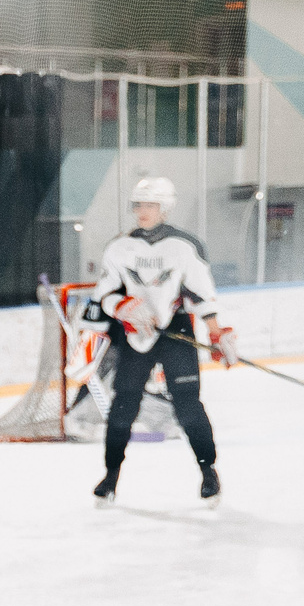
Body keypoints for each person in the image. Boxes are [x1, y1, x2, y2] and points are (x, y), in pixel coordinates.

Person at [85, 176, 234, 507]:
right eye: (138, 205)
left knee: (188, 405)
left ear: (165, 208)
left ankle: (208, 471)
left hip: (174, 331)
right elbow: (104, 294)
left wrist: (216, 332)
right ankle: (110, 477)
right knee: (123, 408)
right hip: (135, 334)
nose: (143, 211)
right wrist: (122, 306)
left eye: (150, 205)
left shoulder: (184, 246)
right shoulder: (119, 247)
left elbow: (200, 293)